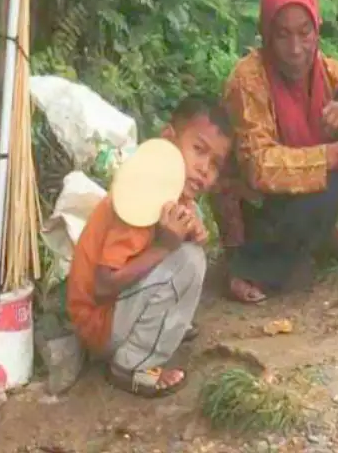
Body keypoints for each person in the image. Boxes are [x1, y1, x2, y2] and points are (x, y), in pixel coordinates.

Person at [216, 0, 338, 304]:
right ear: (266, 34)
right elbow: (259, 168)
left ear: (317, 29)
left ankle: (325, 233)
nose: (295, 49)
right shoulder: (248, 81)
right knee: (329, 181)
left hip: (299, 183)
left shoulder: (321, 67)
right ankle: (250, 265)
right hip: (255, 206)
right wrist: (331, 156)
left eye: (304, 33)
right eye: (282, 35)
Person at [66, 96, 233, 398]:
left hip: (111, 313)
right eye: (198, 150)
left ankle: (156, 332)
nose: (204, 168)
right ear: (169, 139)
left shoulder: (173, 196)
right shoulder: (138, 200)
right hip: (99, 322)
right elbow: (103, 286)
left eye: (216, 164)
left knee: (190, 254)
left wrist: (191, 232)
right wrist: (166, 246)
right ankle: (132, 365)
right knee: (188, 262)